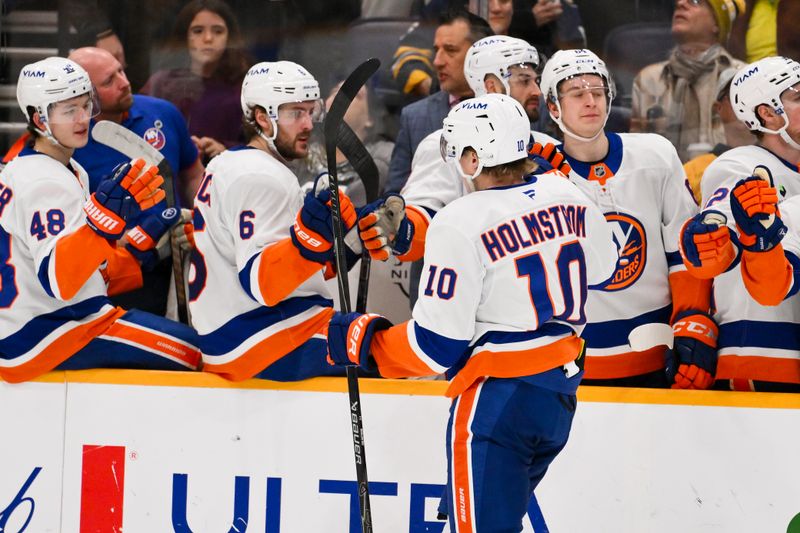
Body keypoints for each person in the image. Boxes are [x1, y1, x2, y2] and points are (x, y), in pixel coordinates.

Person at [327, 93, 618, 531]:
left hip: (497, 402)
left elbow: (436, 347)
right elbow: (606, 266)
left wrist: (367, 343)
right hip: (558, 398)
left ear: (472, 158)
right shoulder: (566, 192)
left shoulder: (459, 220)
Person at [0, 57, 200, 383]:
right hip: (47, 332)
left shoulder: (61, 166)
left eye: (85, 105)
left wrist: (138, 243)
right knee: (192, 350)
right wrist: (99, 222)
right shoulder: (43, 182)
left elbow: (84, 266)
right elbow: (60, 282)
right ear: (39, 118)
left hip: (55, 319)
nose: (83, 119)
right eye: (68, 111)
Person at [537, 49, 714, 388]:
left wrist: (693, 320)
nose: (590, 101)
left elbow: (684, 251)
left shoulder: (655, 155)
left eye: (598, 91)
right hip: (574, 362)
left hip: (657, 349)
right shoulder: (541, 178)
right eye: (576, 93)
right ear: (553, 107)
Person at [188, 61, 364, 381]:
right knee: (378, 347)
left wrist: (351, 242)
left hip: (231, 330)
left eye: (312, 112)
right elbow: (262, 283)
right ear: (262, 118)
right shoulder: (262, 176)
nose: (308, 124)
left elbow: (291, 271)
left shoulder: (228, 162)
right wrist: (312, 239)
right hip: (254, 336)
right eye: (295, 113)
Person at [370, 36, 562, 309]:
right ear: (492, 85)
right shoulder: (448, 143)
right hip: (471, 308)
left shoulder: (550, 148)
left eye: (535, 80)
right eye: (524, 80)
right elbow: (424, 212)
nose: (536, 91)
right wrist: (404, 228)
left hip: (543, 309)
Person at [680, 55, 800, 391]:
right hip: (758, 353)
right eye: (797, 97)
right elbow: (719, 246)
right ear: (768, 113)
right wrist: (709, 241)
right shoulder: (740, 166)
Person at [69, 47, 204, 208]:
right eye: (109, 81)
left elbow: (193, 175)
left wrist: (203, 220)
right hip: (113, 232)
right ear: (85, 95)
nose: (125, 83)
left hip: (174, 229)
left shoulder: (164, 112)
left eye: (121, 71)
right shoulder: (72, 140)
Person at [385, 9, 494, 194]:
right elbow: (394, 197)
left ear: (480, 56)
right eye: (437, 51)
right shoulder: (413, 117)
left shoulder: (521, 109)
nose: (437, 61)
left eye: (450, 50)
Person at [630, 0, 747, 162]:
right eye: (679, 1)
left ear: (717, 24)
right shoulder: (648, 80)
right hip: (664, 182)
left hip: (729, 180)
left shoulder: (743, 79)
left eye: (695, 1)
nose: (681, 4)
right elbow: (636, 155)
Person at [141, 0, 251, 162]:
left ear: (229, 37)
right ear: (185, 36)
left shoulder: (246, 86)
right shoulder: (162, 83)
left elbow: (262, 142)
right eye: (198, 31)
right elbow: (141, 131)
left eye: (218, 31)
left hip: (228, 175)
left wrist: (227, 149)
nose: (208, 38)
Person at [292, 82, 394, 206]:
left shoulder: (383, 155)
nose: (338, 97)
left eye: (353, 94)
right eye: (335, 91)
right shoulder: (300, 151)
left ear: (370, 119)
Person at [683, 66, 757, 203]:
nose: (746, 104)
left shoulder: (789, 160)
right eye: (736, 96)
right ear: (718, 108)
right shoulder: (692, 171)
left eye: (754, 95)